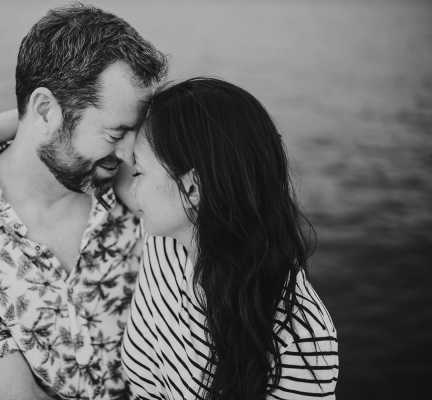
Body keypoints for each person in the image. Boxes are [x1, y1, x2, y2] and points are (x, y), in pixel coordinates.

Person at [0, 4, 166, 400]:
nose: (130, 153)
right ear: (45, 110)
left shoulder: (139, 182)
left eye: (135, 130)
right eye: (115, 134)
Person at [121, 78, 338, 399]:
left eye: (138, 172)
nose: (131, 186)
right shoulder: (164, 243)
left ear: (193, 189)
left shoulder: (300, 340)